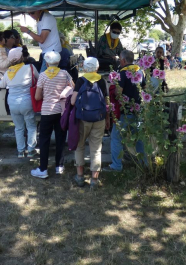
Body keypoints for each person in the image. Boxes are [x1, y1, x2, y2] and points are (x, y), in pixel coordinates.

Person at [31, 51, 74, 179]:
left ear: (46, 62)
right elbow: (73, 87)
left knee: (44, 140)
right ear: (59, 61)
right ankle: (59, 166)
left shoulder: (43, 76)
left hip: (47, 111)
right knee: (61, 138)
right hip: (61, 111)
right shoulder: (65, 74)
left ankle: (43, 169)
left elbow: (37, 96)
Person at [71, 57, 109, 189]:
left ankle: (80, 177)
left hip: (83, 119)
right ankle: (94, 179)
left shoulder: (81, 81)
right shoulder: (102, 81)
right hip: (99, 119)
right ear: (97, 68)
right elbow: (106, 102)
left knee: (80, 146)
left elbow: (72, 101)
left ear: (84, 68)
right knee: (96, 149)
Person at [106, 50, 146, 172]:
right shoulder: (140, 71)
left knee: (116, 138)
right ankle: (143, 163)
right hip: (137, 110)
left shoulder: (122, 74)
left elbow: (119, 92)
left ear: (123, 60)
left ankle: (116, 166)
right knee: (139, 138)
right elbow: (144, 88)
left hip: (124, 112)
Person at [0, 47, 38, 158]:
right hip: (27, 102)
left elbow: (1, 85)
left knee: (18, 128)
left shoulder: (8, 72)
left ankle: (20, 151)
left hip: (12, 103)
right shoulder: (30, 67)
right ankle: (31, 150)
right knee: (31, 126)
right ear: (22, 57)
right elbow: (39, 79)